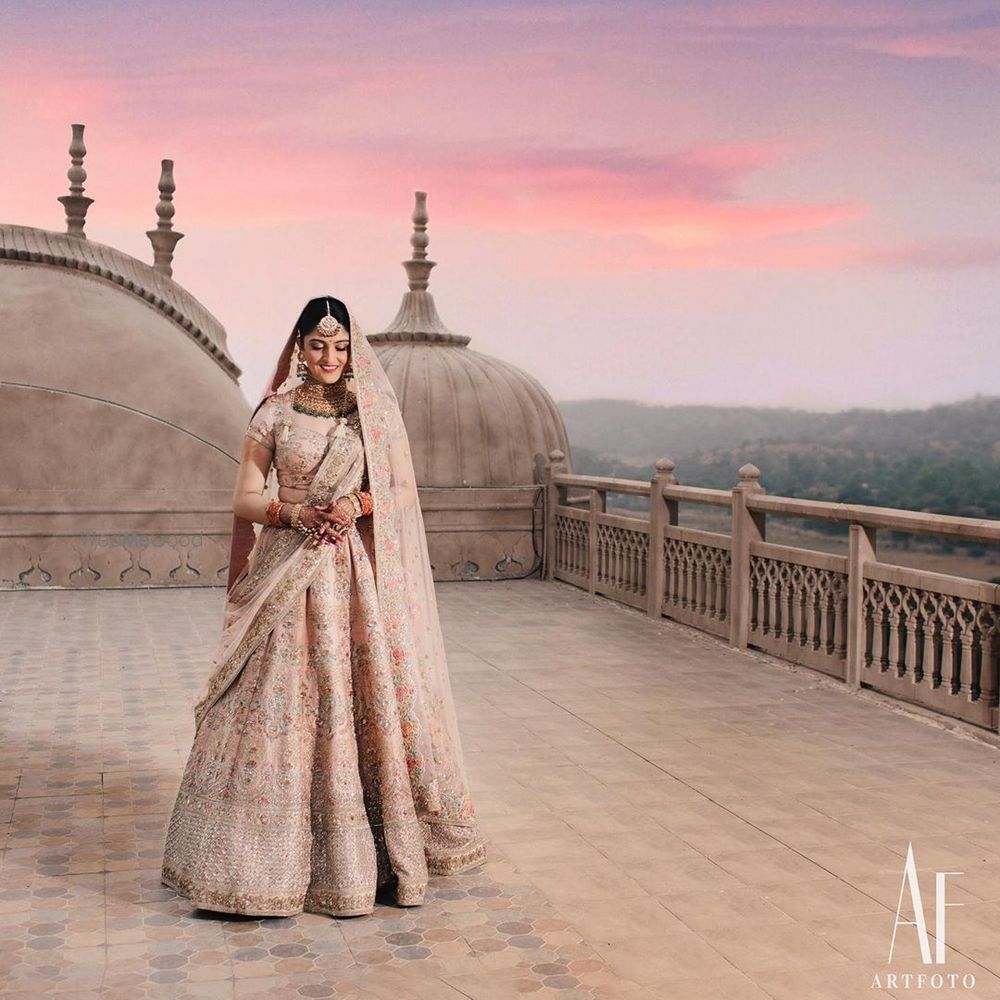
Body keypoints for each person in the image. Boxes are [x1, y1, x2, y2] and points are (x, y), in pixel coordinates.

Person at [160, 295, 487, 917]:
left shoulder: (372, 416)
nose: (331, 357)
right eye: (318, 345)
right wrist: (297, 512)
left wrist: (354, 507)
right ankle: (251, 864)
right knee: (275, 698)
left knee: (354, 692)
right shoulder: (274, 415)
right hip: (288, 564)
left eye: (340, 346)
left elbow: (393, 493)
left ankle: (371, 857)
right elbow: (246, 499)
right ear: (299, 348)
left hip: (348, 575)